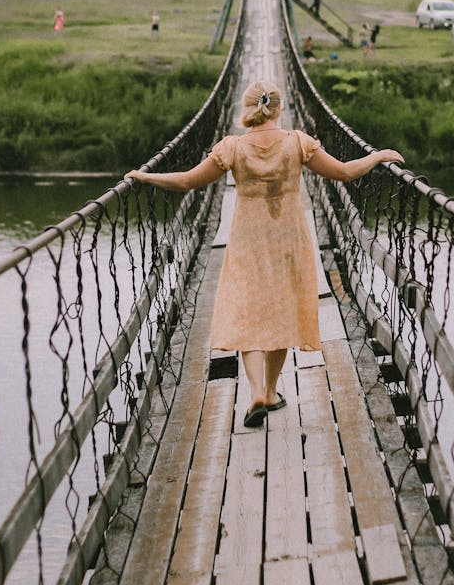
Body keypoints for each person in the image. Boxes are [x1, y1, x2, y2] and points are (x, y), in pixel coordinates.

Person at [126, 80, 403, 429]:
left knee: (248, 312)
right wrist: (377, 156)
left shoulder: (232, 148)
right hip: (289, 236)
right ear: (278, 109)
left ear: (247, 109)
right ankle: (271, 392)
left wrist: (146, 177)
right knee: (283, 309)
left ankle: (258, 392)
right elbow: (345, 173)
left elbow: (186, 182)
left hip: (247, 238)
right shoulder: (298, 142)